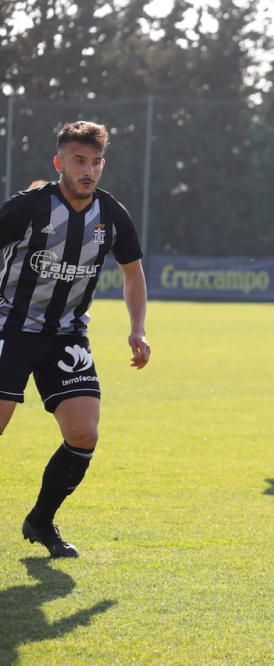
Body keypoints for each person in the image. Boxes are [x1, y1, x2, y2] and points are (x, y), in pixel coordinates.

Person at [0, 120, 151, 558]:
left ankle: (41, 521)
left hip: (67, 335)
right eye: (79, 160)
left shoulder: (112, 214)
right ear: (59, 162)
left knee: (84, 433)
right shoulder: (28, 207)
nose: (89, 170)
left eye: (96, 161)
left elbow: (133, 273)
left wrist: (137, 328)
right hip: (11, 327)